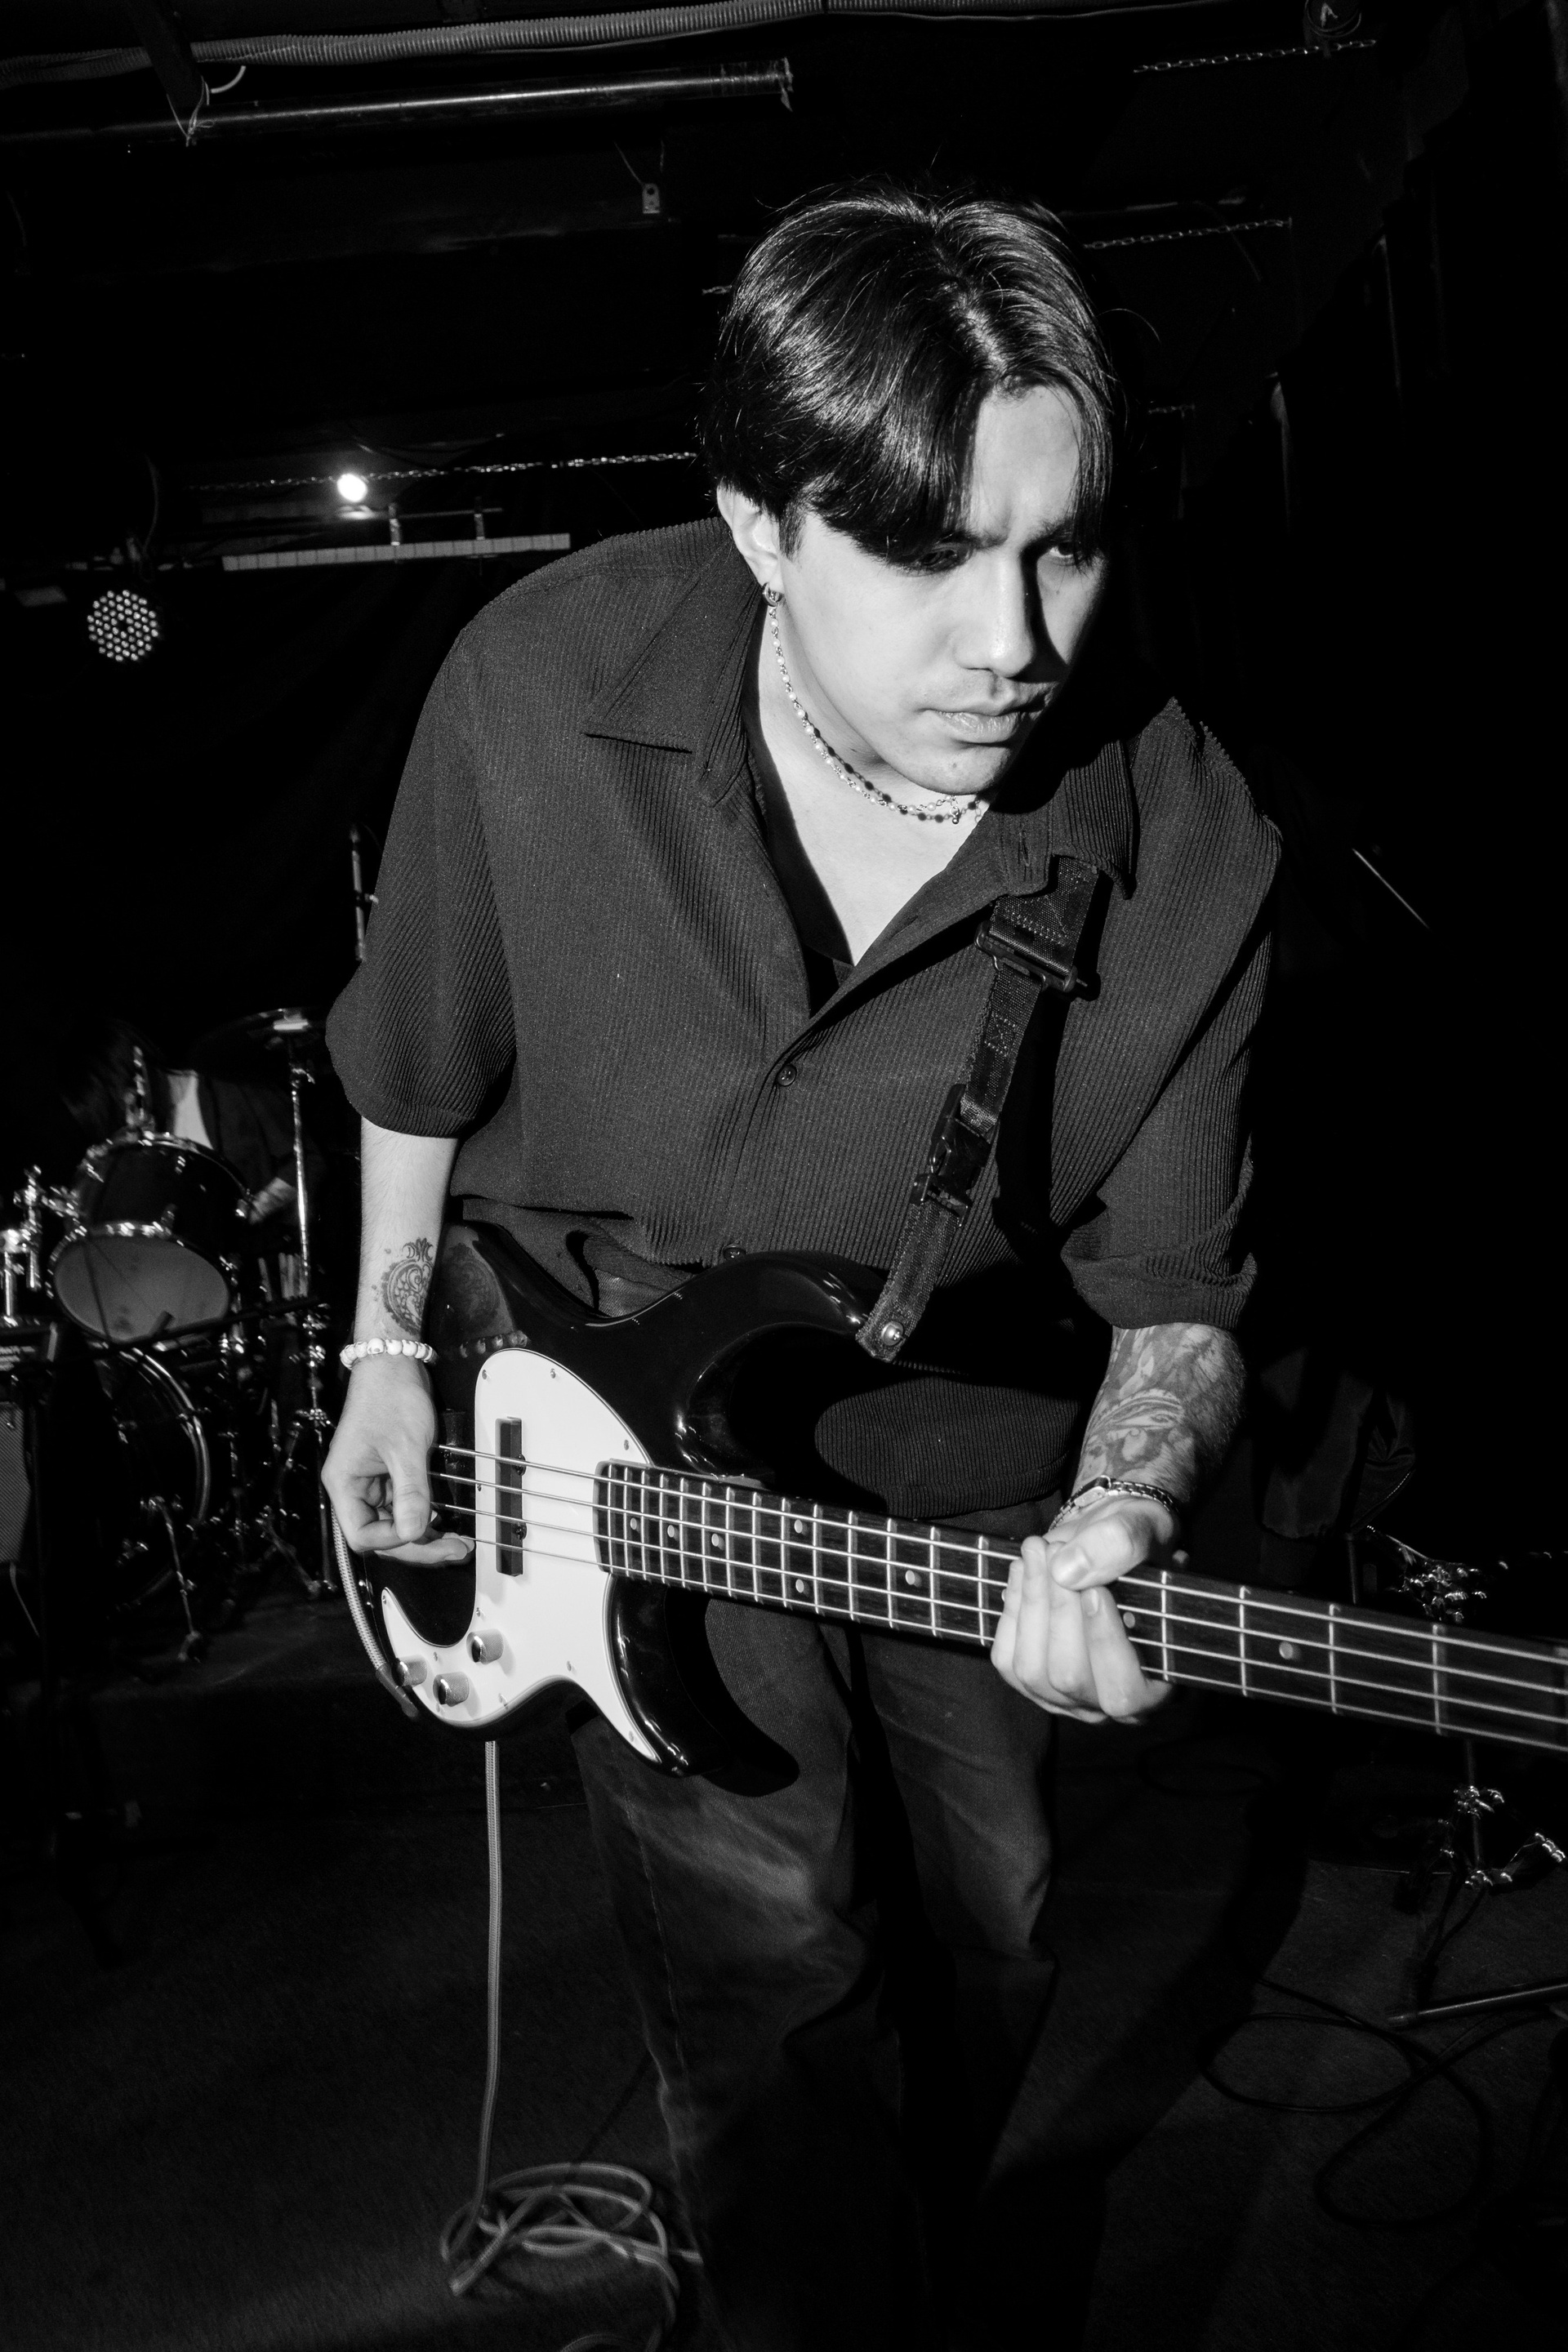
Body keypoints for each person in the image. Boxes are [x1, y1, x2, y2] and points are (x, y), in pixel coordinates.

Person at [323, 183, 1278, 2350]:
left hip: (967, 1479)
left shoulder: (1186, 839)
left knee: (989, 1943)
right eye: (928, 555)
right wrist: (382, 1351)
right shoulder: (538, 689)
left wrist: (1126, 1514)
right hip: (621, 1454)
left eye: (1060, 547)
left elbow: (1177, 1289)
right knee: (779, 1974)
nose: (1013, 640)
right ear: (762, 524)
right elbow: (419, 1061)